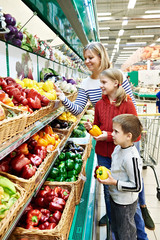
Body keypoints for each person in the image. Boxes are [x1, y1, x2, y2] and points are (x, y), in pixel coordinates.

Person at [55, 42, 151, 239]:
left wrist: (120, 138)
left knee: (132, 189)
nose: (87, 61)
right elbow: (78, 109)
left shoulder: (116, 76)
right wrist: (64, 99)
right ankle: (114, 226)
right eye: (85, 57)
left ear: (101, 57)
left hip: (124, 142)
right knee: (110, 193)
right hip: (105, 149)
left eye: (91, 57)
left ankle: (141, 210)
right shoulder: (89, 87)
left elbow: (127, 110)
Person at [98, 114, 143, 240]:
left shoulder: (131, 158)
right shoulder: (118, 148)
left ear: (129, 136)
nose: (112, 134)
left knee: (126, 234)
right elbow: (117, 170)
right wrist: (108, 173)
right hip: (115, 198)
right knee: (117, 229)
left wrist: (114, 182)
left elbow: (137, 186)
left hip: (125, 204)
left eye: (116, 131)